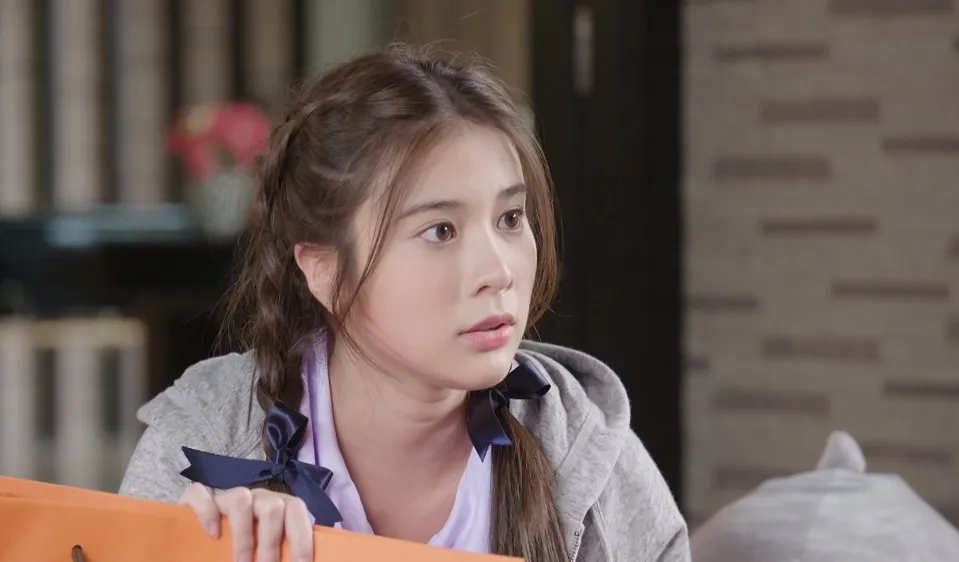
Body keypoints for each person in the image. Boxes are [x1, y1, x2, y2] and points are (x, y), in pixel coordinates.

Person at [119, 45, 690, 562]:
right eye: (440, 231)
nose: (498, 272)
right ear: (325, 270)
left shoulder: (588, 452)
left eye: (511, 218)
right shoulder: (203, 445)